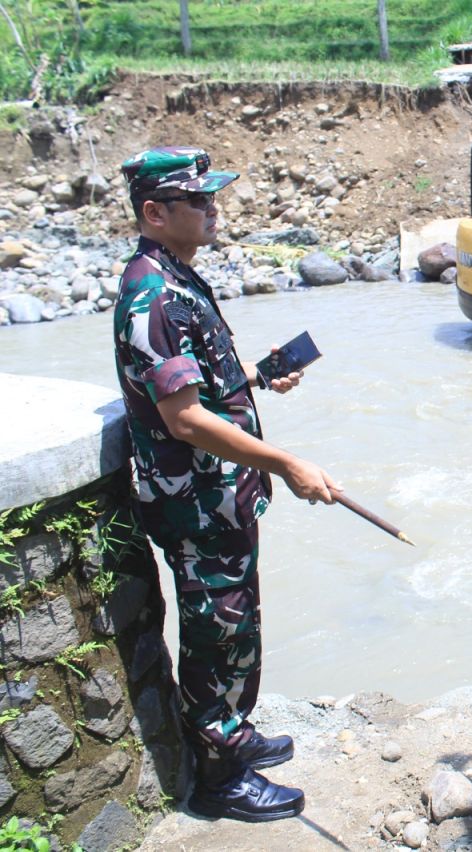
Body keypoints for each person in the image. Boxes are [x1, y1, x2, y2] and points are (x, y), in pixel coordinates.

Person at [113, 147, 341, 822]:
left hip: (219, 497)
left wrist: (255, 376)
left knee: (235, 624)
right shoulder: (150, 295)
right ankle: (220, 779)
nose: (214, 210)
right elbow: (184, 420)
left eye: (213, 198)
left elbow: (200, 379)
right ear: (156, 213)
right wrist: (287, 463)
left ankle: (233, 736)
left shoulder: (177, 277)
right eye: (199, 201)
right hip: (195, 504)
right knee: (217, 631)